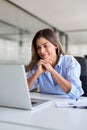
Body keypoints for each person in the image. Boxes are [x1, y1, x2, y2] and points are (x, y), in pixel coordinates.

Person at [26, 28, 84, 99]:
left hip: (67, 105)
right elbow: (23, 89)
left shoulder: (69, 61)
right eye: (38, 47)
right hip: (46, 105)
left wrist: (52, 71)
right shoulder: (38, 65)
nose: (41, 51)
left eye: (45, 46)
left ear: (55, 45)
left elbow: (76, 93)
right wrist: (37, 73)